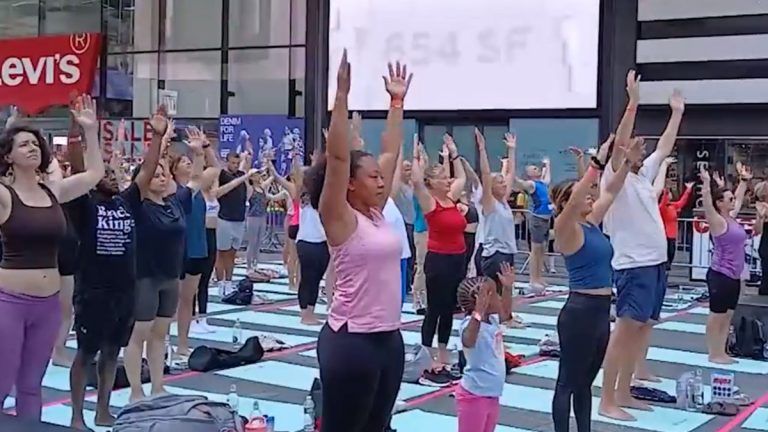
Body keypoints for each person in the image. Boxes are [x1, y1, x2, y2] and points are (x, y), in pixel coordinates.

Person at [312, 52, 411, 432]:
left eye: (380, 177)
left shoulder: (376, 212)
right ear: (351, 183)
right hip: (351, 343)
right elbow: (338, 158)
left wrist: (397, 103)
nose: (381, 181)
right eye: (372, 177)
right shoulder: (340, 218)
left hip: (389, 340)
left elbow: (390, 150)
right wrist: (340, 96)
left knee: (378, 426)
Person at [0, 94, 104, 420]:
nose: (32, 148)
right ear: (8, 156)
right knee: (2, 382)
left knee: (31, 384)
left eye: (35, 143)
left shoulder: (52, 191)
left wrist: (89, 131)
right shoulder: (4, 195)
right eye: (23, 145)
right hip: (9, 302)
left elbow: (94, 175)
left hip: (48, 304)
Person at [598, 72, 685, 421]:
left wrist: (676, 113)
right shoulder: (614, 177)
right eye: (633, 146)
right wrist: (632, 103)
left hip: (654, 263)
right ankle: (607, 400)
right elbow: (620, 142)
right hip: (633, 264)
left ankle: (624, 391)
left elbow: (664, 147)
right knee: (623, 332)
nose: (641, 147)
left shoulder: (643, 174)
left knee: (642, 327)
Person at [549, 134, 641, 432]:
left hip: (601, 311)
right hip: (580, 311)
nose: (591, 196)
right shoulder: (566, 229)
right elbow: (579, 196)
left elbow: (611, 191)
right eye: (586, 194)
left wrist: (627, 163)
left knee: (585, 383)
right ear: (565, 203)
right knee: (567, 382)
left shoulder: (590, 223)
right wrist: (596, 162)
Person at [123, 110, 200, 403]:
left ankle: (157, 385)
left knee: (159, 335)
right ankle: (135, 390)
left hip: (170, 277)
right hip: (144, 277)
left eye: (162, 174)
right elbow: (147, 170)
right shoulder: (137, 205)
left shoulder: (175, 201)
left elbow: (197, 179)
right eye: (153, 174)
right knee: (139, 335)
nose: (159, 176)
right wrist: (158, 140)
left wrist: (197, 152)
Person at [67, 152, 142, 429]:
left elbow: (144, 174)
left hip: (124, 291)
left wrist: (159, 137)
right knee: (86, 353)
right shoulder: (84, 205)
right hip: (93, 291)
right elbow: (76, 169)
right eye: (105, 173)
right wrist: (81, 129)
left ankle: (103, 410)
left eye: (114, 174)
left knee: (111, 353)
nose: (111, 177)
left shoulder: (126, 202)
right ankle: (77, 415)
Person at [413, 134, 467, 370]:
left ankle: (443, 352)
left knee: (448, 309)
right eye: (443, 179)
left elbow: (463, 177)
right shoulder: (430, 202)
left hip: (458, 259)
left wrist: (454, 152)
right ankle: (427, 353)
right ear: (432, 183)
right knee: (434, 309)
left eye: (448, 178)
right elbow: (416, 182)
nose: (448, 181)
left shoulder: (451, 199)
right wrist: (416, 157)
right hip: (439, 260)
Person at [171, 127, 219, 359]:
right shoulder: (173, 189)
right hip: (178, 249)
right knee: (171, 302)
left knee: (187, 300)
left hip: (198, 247)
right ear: (173, 169)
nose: (187, 163)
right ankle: (159, 344)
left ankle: (182, 343)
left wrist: (205, 148)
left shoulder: (198, 186)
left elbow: (215, 167)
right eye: (182, 161)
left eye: (188, 160)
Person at [699, 162, 751, 364]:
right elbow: (706, 203)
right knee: (717, 315)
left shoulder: (731, 218)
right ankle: (714, 352)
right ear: (720, 203)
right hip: (720, 275)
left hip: (734, 276)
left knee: (728, 316)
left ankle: (722, 351)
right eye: (729, 199)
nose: (733, 201)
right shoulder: (718, 222)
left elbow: (738, 198)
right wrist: (706, 183)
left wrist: (744, 181)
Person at [455, 264, 515, 432]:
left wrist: (508, 288)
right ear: (483, 301)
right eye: (495, 294)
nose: (498, 297)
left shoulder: (493, 320)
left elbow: (507, 314)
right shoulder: (470, 324)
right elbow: (468, 341)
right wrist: (478, 312)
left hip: (491, 394)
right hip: (474, 395)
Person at [51, 115, 84, 368]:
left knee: (65, 310)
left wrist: (77, 129)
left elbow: (85, 169)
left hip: (67, 256)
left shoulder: (69, 193)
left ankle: (58, 348)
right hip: (40, 258)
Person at [476, 129, 517, 322]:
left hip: (507, 252)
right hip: (494, 255)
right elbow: (485, 175)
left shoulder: (504, 203)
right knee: (493, 294)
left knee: (507, 291)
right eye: (499, 182)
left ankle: (505, 319)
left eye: (503, 182)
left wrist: (512, 151)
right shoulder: (489, 203)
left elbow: (510, 174)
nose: (503, 184)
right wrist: (482, 150)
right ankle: (487, 323)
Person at [515, 157, 552, 290]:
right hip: (537, 219)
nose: (537, 169)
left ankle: (539, 277)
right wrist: (510, 171)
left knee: (542, 250)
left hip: (546, 219)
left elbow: (548, 177)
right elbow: (520, 183)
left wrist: (547, 165)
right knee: (535, 250)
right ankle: (533, 279)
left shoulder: (542, 183)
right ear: (529, 174)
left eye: (537, 168)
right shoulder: (531, 184)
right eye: (534, 168)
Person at [215, 151, 249, 295]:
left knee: (232, 253)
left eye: (237, 163)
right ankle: (220, 283)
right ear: (227, 162)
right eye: (232, 163)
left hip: (239, 219)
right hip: (224, 218)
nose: (235, 166)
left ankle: (229, 281)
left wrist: (247, 158)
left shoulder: (242, 175)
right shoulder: (223, 175)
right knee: (221, 252)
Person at [295, 190, 329, 326]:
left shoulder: (325, 200)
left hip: (322, 241)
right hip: (306, 241)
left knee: (315, 280)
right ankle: (304, 314)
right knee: (307, 278)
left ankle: (310, 312)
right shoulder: (305, 200)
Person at [653, 157, 693, 269]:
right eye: (669, 194)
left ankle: (666, 271)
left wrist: (688, 190)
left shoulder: (672, 206)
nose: (671, 195)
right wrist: (665, 191)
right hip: (665, 236)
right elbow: (663, 201)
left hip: (672, 236)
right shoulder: (662, 207)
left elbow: (682, 202)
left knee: (671, 257)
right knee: (666, 258)